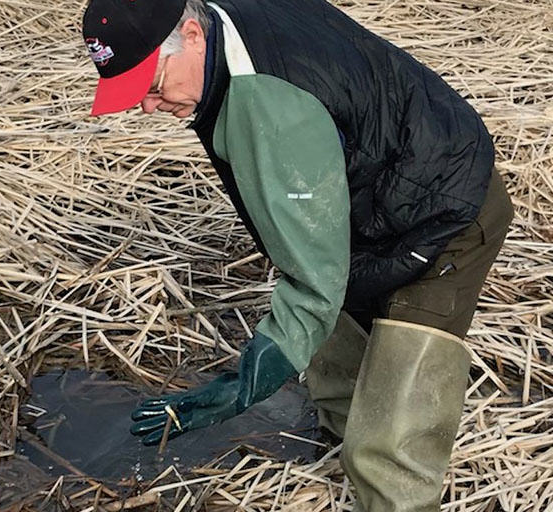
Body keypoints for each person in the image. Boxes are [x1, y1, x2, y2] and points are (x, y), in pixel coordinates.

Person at [80, 0, 515, 510]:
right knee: (336, 364)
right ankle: (334, 456)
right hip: (375, 197)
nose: (148, 106)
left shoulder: (268, 102)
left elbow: (314, 280)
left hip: (445, 212)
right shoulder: (222, 27)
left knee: (391, 441)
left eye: (152, 85)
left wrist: (246, 384)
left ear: (192, 35)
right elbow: (315, 255)